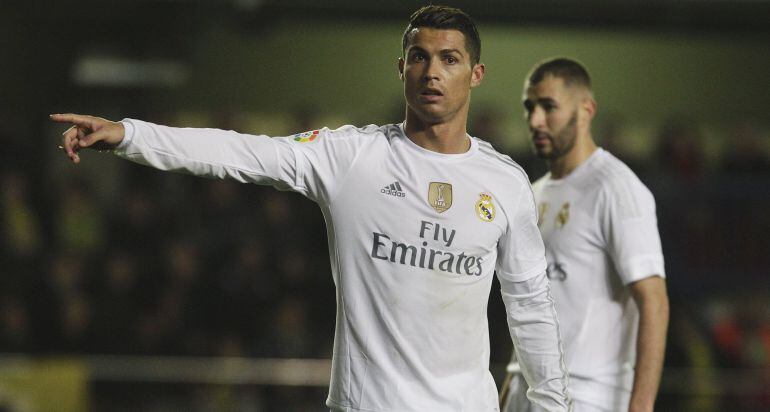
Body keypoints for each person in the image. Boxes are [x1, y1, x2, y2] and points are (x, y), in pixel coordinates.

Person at [52, 6, 569, 411]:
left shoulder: (504, 182)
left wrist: (554, 407)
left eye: (449, 59)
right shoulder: (351, 157)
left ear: (475, 74)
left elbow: (530, 307)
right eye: (419, 56)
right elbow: (241, 153)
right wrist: (128, 135)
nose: (431, 71)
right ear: (401, 68)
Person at [501, 57, 669, 412]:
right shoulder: (533, 192)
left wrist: (641, 405)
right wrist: (510, 384)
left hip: (587, 397)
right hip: (525, 393)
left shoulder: (615, 188)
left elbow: (654, 300)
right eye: (529, 107)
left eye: (549, 107)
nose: (535, 120)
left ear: (586, 110)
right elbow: (529, 304)